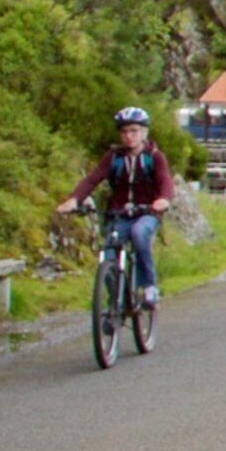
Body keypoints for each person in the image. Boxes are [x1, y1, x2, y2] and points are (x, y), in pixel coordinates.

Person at [63, 107, 179, 313]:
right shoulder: (113, 157)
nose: (129, 136)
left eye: (134, 131)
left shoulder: (154, 156)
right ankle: (115, 301)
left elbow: (165, 182)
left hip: (147, 214)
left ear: (144, 132)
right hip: (119, 214)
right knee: (107, 255)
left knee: (138, 234)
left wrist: (163, 199)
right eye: (124, 132)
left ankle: (150, 287)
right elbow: (92, 179)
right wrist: (74, 199)